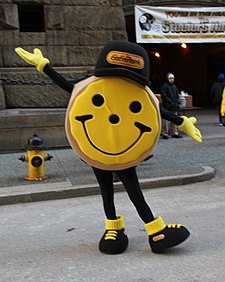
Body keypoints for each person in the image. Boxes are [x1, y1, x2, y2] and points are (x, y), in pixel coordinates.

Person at [15, 41, 202, 255]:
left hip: (121, 150)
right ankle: (114, 228)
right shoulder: (91, 86)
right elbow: (68, 86)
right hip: (98, 149)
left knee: (133, 192)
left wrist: (182, 123)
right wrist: (44, 65)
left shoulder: (137, 93)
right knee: (108, 191)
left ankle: (155, 231)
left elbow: (155, 110)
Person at [160, 72, 182, 139]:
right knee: (166, 121)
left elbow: (177, 95)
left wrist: (177, 102)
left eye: (173, 78)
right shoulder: (164, 86)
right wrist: (170, 102)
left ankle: (174, 133)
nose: (172, 79)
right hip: (167, 106)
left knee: (174, 120)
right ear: (167, 78)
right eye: (170, 78)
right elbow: (164, 96)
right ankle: (165, 133)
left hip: (174, 106)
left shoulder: (174, 86)